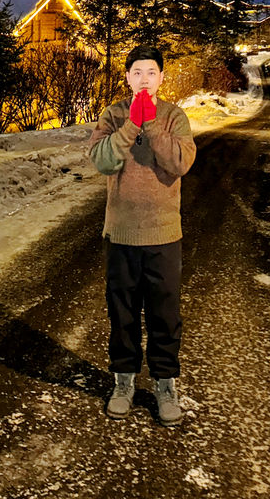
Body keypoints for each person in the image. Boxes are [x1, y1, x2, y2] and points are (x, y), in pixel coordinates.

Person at [88, 44, 196, 426]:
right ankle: (124, 381)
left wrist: (150, 123)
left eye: (151, 72)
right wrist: (132, 123)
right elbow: (102, 160)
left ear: (161, 77)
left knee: (165, 314)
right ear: (128, 77)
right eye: (137, 72)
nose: (144, 79)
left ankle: (165, 384)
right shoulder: (113, 114)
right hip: (121, 233)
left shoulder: (174, 117)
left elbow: (179, 163)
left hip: (164, 234)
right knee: (123, 313)